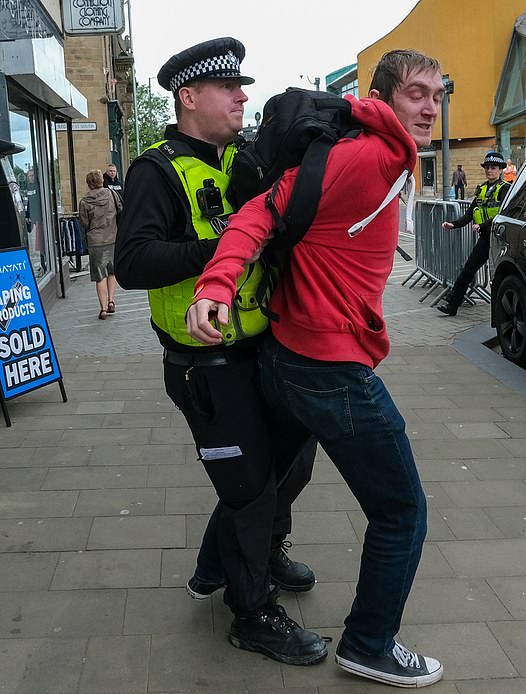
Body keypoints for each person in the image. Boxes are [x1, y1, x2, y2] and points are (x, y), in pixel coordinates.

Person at [186, 48, 445, 689]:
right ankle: (369, 643)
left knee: (267, 474)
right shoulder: (368, 156)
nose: (431, 107)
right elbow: (261, 213)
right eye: (416, 93)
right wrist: (215, 284)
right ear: (384, 97)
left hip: (287, 357)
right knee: (401, 512)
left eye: (439, 95)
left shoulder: (368, 148)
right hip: (329, 369)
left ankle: (211, 570)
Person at [114, 37, 324, 667]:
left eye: (243, 86)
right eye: (228, 88)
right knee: (248, 490)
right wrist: (223, 249)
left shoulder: (244, 159)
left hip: (266, 348)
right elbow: (131, 263)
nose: (242, 96)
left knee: (294, 464)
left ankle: (262, 552)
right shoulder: (157, 169)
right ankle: (251, 611)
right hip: (206, 367)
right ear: (188, 97)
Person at [437, 151, 510, 316]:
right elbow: (470, 214)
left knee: (498, 276)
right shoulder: (482, 189)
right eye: (487, 167)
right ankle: (453, 305)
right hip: (486, 238)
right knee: (468, 269)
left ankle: (501, 313)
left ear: (500, 170)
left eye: (493, 167)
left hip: (500, 238)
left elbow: (503, 215)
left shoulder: (505, 189)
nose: (489, 170)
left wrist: (482, 226)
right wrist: (453, 224)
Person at [79, 169, 121, 319]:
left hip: (95, 242)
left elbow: (84, 223)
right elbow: (121, 211)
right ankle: (111, 300)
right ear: (101, 181)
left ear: (89, 184)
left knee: (100, 276)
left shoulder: (84, 202)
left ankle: (103, 308)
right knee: (112, 272)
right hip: (113, 238)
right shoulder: (112, 194)